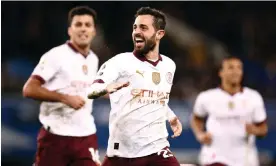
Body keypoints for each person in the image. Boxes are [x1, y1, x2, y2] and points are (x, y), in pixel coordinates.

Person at [87, 7, 182, 166]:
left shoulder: (169, 65)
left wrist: (170, 116)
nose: (137, 32)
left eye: (143, 28)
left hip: (156, 149)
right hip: (122, 153)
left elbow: (156, 96)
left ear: (159, 34)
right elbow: (91, 90)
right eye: (135, 27)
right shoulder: (120, 62)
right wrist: (105, 89)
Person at [23, 6, 101, 166]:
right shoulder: (56, 56)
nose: (83, 29)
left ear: (94, 31)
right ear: (69, 30)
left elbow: (86, 89)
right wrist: (64, 98)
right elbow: (29, 89)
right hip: (56, 137)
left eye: (88, 25)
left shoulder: (93, 59)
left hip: (86, 136)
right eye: (78, 24)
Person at [190, 56, 268, 166]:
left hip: (245, 159)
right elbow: (196, 118)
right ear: (221, 72)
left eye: (239, 68)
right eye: (231, 68)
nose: (236, 71)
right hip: (214, 157)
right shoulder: (206, 97)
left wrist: (255, 130)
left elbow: (263, 128)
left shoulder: (253, 97)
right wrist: (200, 134)